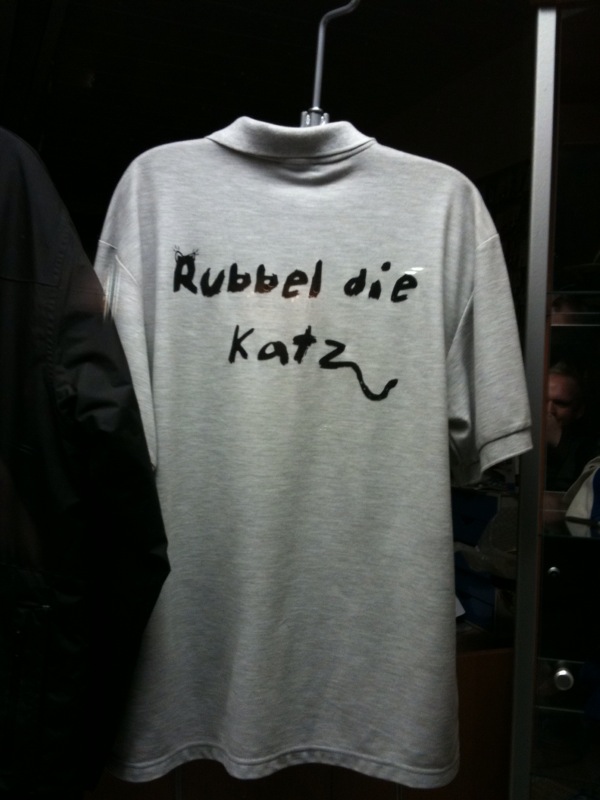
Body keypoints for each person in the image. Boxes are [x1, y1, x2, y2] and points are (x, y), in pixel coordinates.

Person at [545, 361, 598, 491]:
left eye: (560, 403)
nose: (549, 410)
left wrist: (558, 442)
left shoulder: (589, 450)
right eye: (543, 401)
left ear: (578, 411)